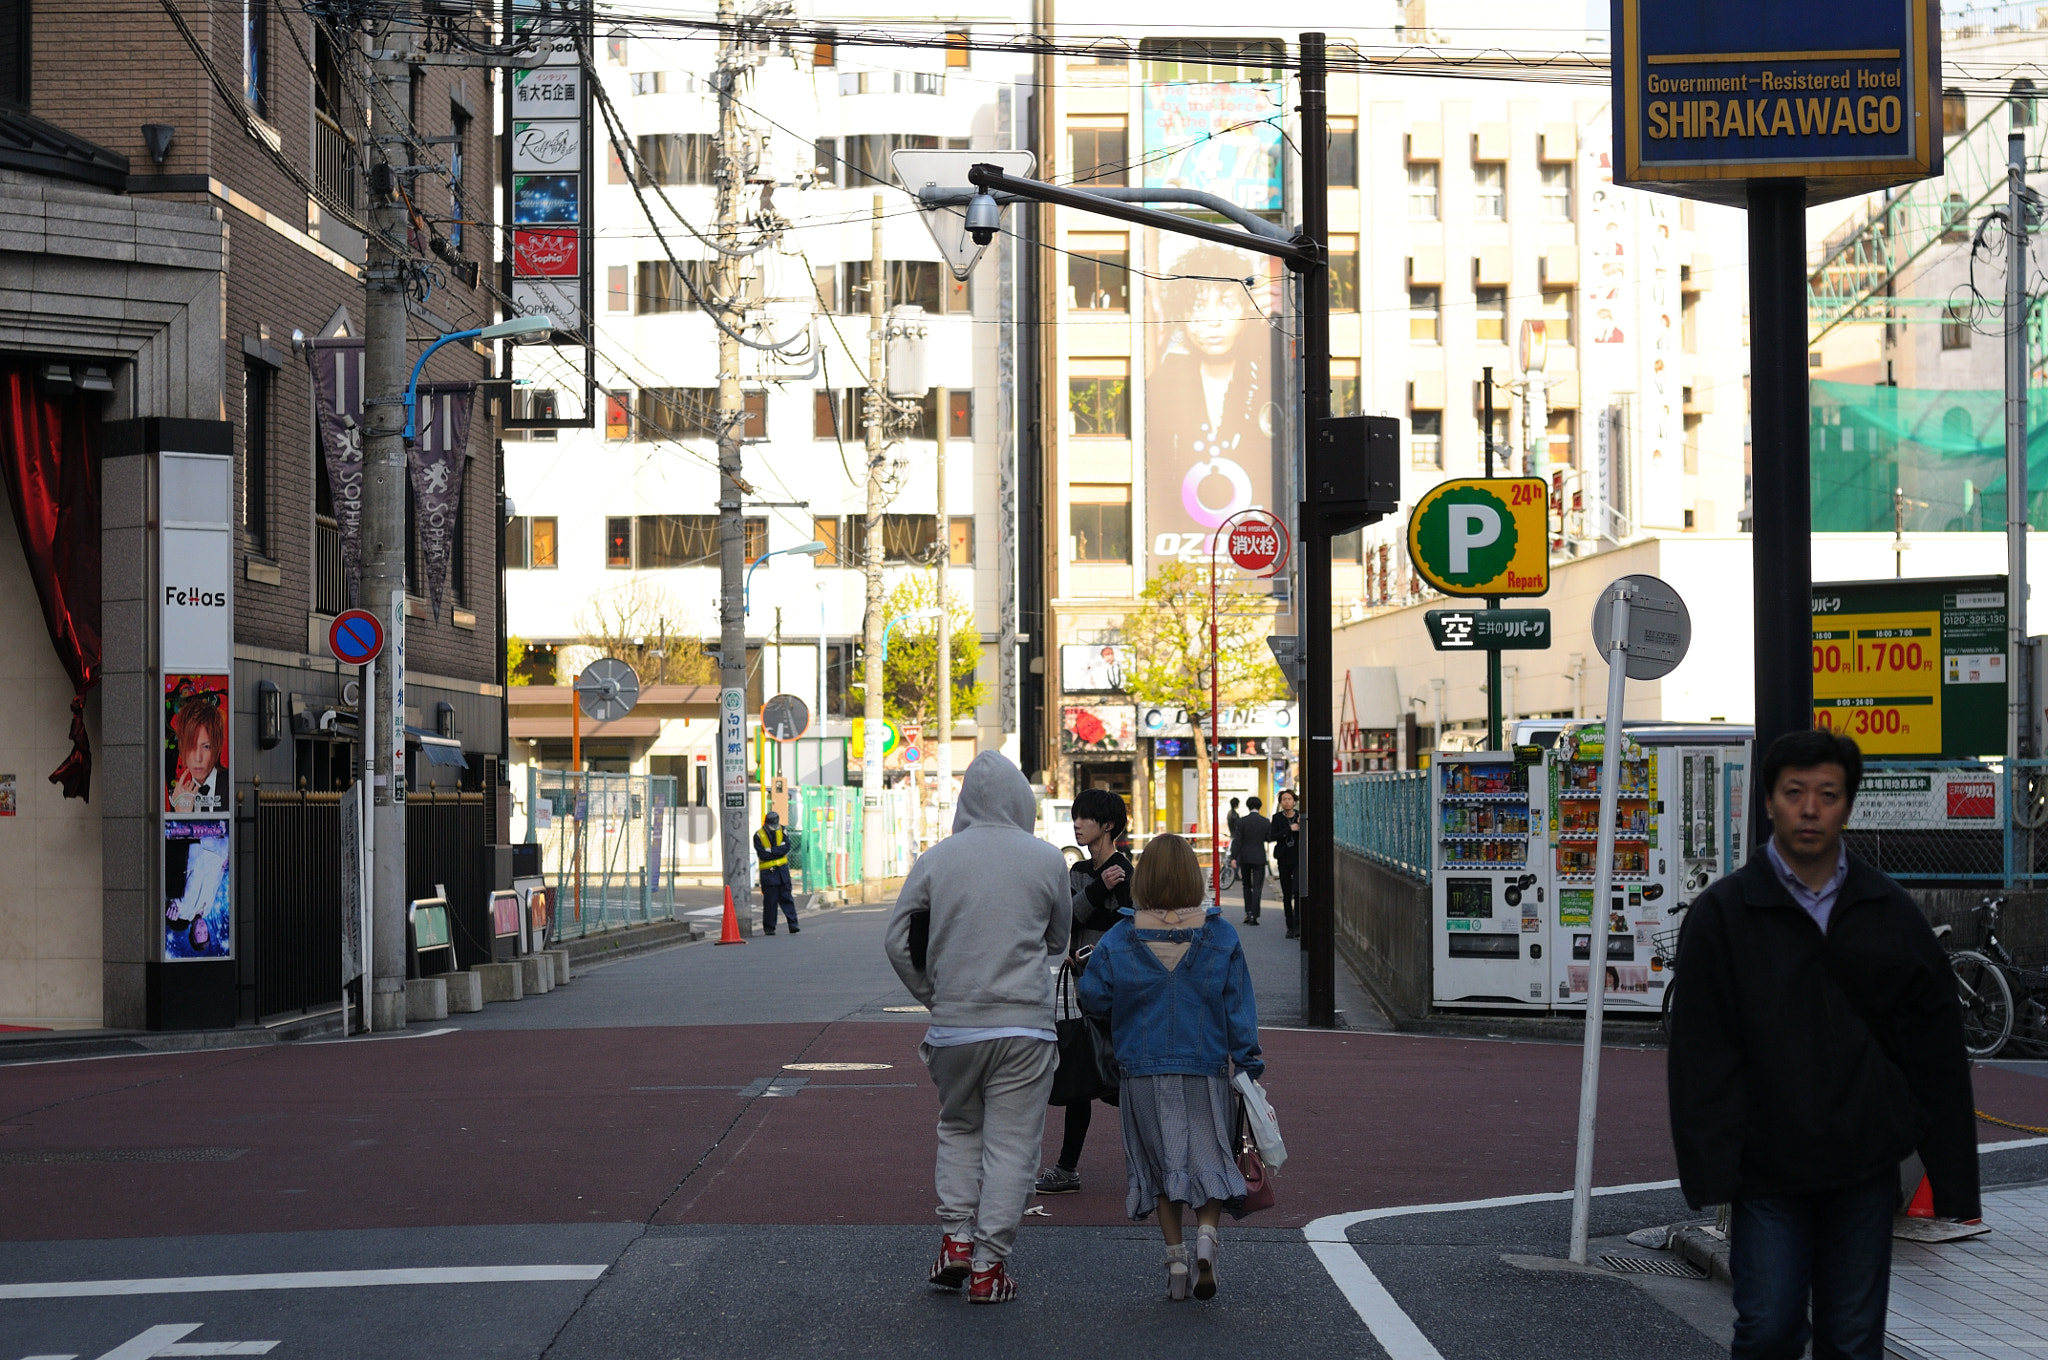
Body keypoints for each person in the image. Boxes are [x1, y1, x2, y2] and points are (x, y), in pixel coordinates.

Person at [1669, 729, 1979, 1360]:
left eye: (1827, 794)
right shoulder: (1725, 916)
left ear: (1847, 805)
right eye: (1794, 792)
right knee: (1768, 1328)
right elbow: (1700, 1054)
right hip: (1768, 1168)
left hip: (1864, 1166)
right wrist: (1710, 1168)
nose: (1809, 809)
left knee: (1854, 1338)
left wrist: (1953, 1183)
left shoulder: (1887, 911)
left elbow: (1936, 1049)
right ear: (1769, 802)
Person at [886, 752, 1071, 1304]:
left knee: (960, 1128)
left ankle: (956, 1240)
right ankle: (990, 1269)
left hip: (955, 1027)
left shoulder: (936, 859)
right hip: (1025, 1028)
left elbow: (897, 941)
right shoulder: (1046, 860)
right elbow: (1058, 940)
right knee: (1014, 1147)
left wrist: (935, 996)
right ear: (1021, 801)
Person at [1078, 833, 1261, 1302]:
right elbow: (1238, 1005)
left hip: (1140, 1068)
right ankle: (1207, 1237)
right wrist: (1248, 1064)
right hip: (1204, 1065)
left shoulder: (1121, 936)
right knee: (1210, 1155)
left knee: (1159, 1163)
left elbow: (1094, 998)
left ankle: (1176, 1259)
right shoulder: (1220, 934)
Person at [1035, 787, 1133, 1199]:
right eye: (1075, 817)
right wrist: (1094, 895)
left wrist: (1093, 942)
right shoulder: (1078, 872)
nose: (1077, 823)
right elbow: (1066, 917)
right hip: (1081, 985)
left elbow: (1130, 926)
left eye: (1085, 817)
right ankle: (1067, 1168)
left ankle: (1158, 1156)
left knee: (1117, 1075)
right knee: (1084, 1072)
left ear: (1107, 824)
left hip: (1118, 989)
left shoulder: (1124, 868)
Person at [167, 694, 227, 813]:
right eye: (191, 747)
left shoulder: (230, 785)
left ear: (217, 746)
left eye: (206, 747)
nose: (198, 758)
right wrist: (182, 816)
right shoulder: (179, 795)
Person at [754, 811, 799, 935]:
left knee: (787, 898)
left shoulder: (782, 830)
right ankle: (769, 928)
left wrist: (771, 851)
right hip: (769, 872)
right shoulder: (759, 835)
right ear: (766, 823)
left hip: (782, 871)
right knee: (770, 901)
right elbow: (763, 854)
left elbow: (786, 848)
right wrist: (777, 850)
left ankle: (793, 925)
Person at [1231, 796, 1270, 925]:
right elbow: (1269, 838)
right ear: (1260, 806)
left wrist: (1233, 857)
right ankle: (1255, 914)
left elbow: (1237, 841)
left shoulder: (1242, 822)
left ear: (1248, 806)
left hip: (1245, 856)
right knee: (1258, 887)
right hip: (1259, 856)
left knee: (1246, 885)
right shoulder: (1265, 821)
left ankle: (1248, 912)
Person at [1268, 790, 1302, 938]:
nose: (1287, 801)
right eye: (1284, 799)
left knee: (1298, 892)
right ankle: (1290, 926)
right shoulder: (1277, 818)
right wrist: (1289, 829)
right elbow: (1271, 836)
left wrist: (1301, 827)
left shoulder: (1301, 817)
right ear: (1281, 802)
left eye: (1289, 799)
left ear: (1294, 801)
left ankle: (1298, 925)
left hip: (1298, 859)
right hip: (1283, 859)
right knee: (1287, 895)